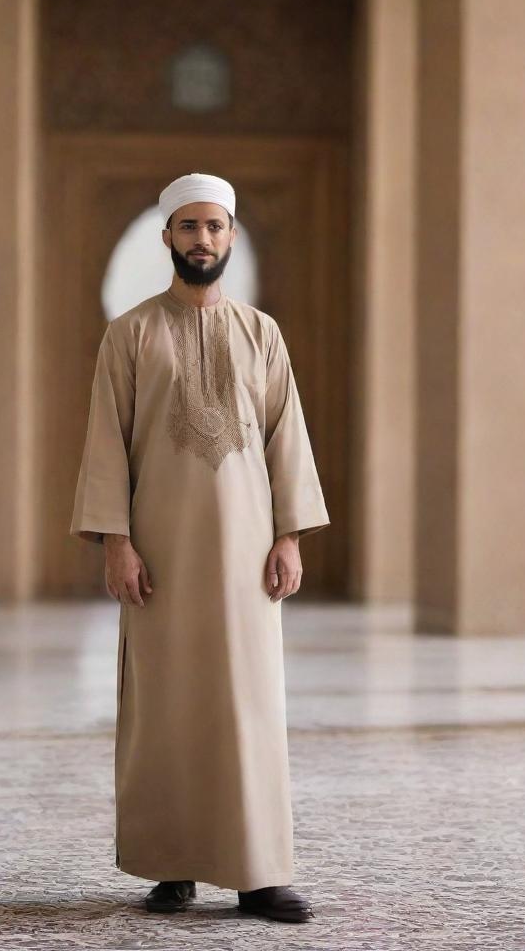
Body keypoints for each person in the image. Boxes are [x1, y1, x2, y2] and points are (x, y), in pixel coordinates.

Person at [69, 171, 329, 924]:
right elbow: (105, 449)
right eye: (189, 227)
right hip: (162, 559)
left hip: (248, 561)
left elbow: (288, 440)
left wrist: (288, 536)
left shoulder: (261, 334)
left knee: (248, 706)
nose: (202, 240)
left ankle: (257, 874)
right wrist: (117, 545)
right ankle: (172, 866)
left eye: (214, 227)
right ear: (168, 238)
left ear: (231, 237)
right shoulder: (131, 334)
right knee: (167, 706)